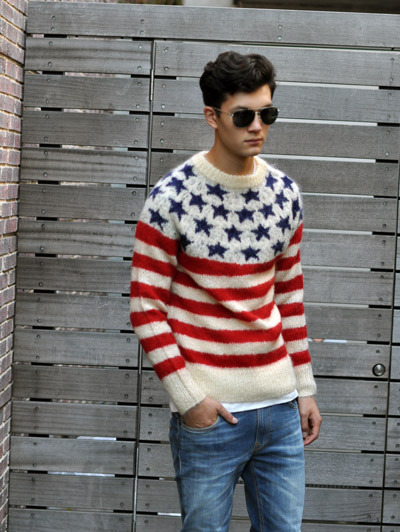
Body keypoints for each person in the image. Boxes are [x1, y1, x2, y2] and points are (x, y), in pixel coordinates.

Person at [130, 51, 322, 532]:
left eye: (267, 114)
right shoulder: (172, 197)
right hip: (212, 416)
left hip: (280, 412)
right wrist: (189, 399)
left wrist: (304, 390)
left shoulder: (285, 195)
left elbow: (289, 298)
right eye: (243, 115)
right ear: (212, 117)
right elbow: (146, 306)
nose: (257, 126)